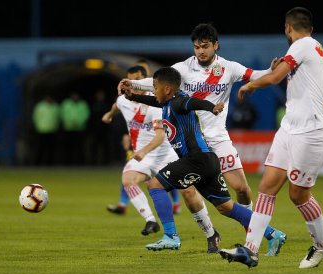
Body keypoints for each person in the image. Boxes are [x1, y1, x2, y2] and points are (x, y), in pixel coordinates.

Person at [118, 23, 286, 255]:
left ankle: (175, 236)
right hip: (194, 145)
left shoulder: (228, 68)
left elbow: (252, 75)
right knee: (217, 203)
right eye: (196, 47)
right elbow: (158, 85)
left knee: (241, 189)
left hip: (214, 141)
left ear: (216, 45)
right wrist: (134, 86)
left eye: (205, 46)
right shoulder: (182, 70)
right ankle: (223, 235)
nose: (200, 51)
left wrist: (269, 70)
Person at [219, 7, 323, 269]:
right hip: (289, 129)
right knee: (267, 187)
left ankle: (322, 244)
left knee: (298, 195)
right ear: (311, 28)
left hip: (310, 133)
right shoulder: (315, 53)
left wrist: (249, 85)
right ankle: (250, 250)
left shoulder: (302, 45)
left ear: (287, 28)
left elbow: (274, 77)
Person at [106, 66, 182, 216]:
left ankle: (177, 205)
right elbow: (117, 106)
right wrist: (109, 115)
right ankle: (132, 209)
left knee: (179, 187)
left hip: (162, 150)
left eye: (137, 80)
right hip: (140, 151)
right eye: (130, 80)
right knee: (130, 176)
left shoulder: (155, 101)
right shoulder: (124, 100)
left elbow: (160, 133)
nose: (133, 84)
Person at [60, 91, 90, 165]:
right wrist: (68, 122)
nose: (75, 97)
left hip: (79, 129)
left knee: (79, 147)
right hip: (68, 128)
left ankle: (79, 163)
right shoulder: (66, 104)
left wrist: (79, 122)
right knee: (68, 147)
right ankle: (67, 162)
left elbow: (86, 115)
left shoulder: (83, 104)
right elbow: (62, 114)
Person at [32, 94, 60, 165]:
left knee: (51, 149)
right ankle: (37, 164)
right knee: (40, 149)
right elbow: (35, 117)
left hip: (52, 130)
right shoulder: (40, 106)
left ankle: (50, 164)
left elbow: (57, 118)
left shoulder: (55, 107)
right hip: (42, 130)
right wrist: (38, 127)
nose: (49, 99)